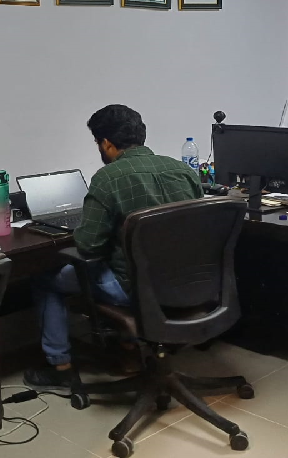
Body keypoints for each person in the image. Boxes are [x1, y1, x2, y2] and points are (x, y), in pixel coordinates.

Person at [23, 105, 203, 392]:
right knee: (127, 260)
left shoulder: (108, 178)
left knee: (45, 280)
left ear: (106, 143)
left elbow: (88, 246)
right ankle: (129, 352)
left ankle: (61, 368)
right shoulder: (183, 171)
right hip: (189, 282)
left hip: (134, 288)